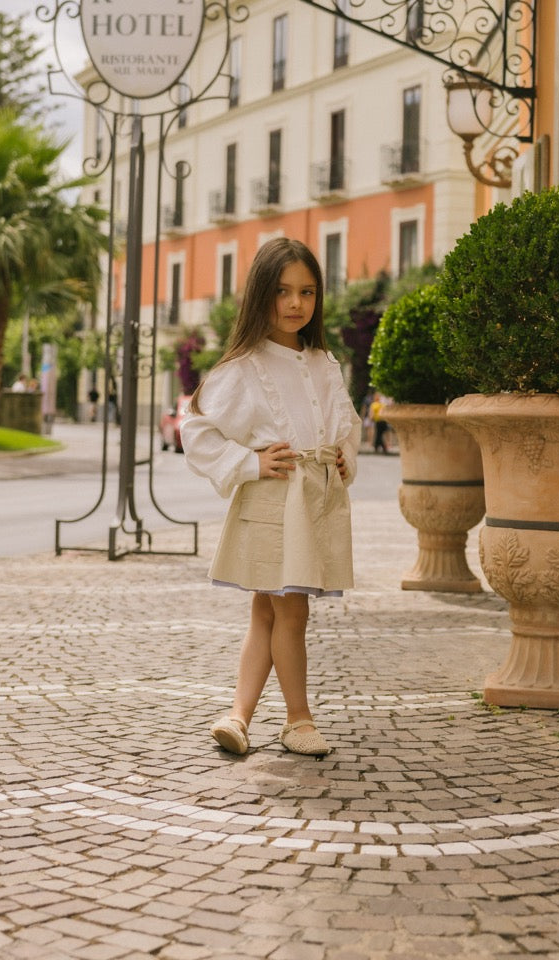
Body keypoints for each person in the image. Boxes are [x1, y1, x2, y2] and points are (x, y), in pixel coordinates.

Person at [181, 238, 361, 758]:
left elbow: (346, 424)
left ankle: (238, 716)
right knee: (292, 611)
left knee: (268, 610)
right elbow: (196, 428)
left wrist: (346, 455)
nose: (295, 303)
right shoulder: (244, 367)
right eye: (282, 291)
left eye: (307, 292)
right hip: (272, 500)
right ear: (261, 293)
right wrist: (248, 463)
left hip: (314, 503)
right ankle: (298, 719)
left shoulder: (324, 362)